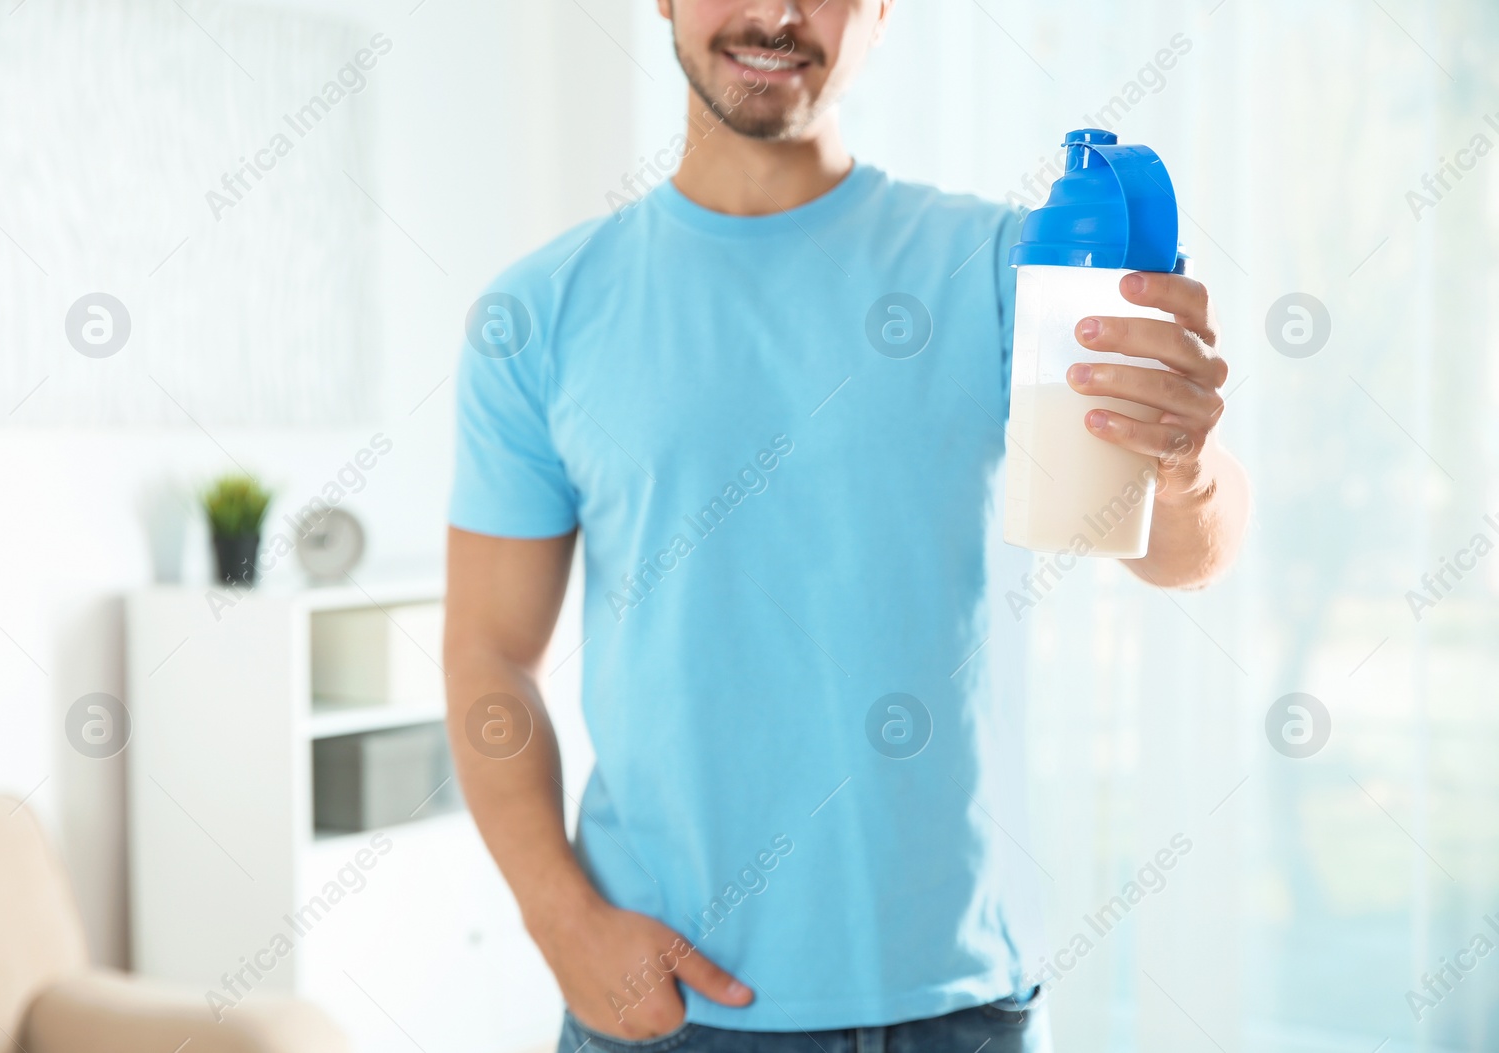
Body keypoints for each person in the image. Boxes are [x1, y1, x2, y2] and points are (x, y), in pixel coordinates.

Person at [443, 1, 1249, 1050]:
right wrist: (562, 923)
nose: (775, 13)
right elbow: (488, 657)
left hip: (960, 1006)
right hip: (666, 1008)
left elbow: (1186, 555)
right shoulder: (541, 313)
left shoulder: (1004, 271)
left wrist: (1180, 466)